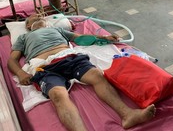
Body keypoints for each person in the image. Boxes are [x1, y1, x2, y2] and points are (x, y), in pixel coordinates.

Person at [7, 14, 156, 131]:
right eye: (35, 16)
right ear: (27, 25)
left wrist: (103, 38)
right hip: (45, 67)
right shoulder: (24, 37)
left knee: (97, 75)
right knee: (58, 95)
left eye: (41, 16)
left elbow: (80, 39)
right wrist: (21, 74)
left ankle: (128, 114)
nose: (40, 16)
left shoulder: (57, 29)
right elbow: (12, 60)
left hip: (70, 58)